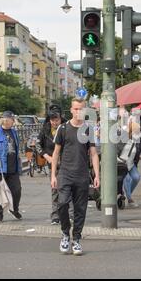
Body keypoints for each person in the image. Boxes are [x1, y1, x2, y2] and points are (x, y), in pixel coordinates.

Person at [51, 98, 100, 256]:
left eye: (81, 109)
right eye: (76, 109)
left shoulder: (88, 129)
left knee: (80, 210)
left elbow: (93, 154)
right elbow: (56, 153)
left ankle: (76, 239)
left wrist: (97, 175)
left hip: (82, 175)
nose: (78, 111)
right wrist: (53, 175)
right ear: (71, 110)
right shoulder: (63, 128)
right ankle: (65, 233)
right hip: (65, 174)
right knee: (62, 204)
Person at [36, 105, 64, 225]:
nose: (54, 122)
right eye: (52, 120)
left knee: (68, 190)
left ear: (61, 119)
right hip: (52, 163)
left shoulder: (66, 127)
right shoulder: (45, 129)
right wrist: (46, 156)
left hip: (66, 163)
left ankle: (70, 214)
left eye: (56, 120)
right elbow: (37, 145)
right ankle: (55, 215)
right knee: (55, 189)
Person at [121, 120, 141, 208]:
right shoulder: (124, 137)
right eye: (137, 131)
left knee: (136, 177)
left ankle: (127, 194)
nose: (139, 132)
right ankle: (130, 199)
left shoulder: (139, 139)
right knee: (126, 179)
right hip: (122, 163)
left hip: (132, 164)